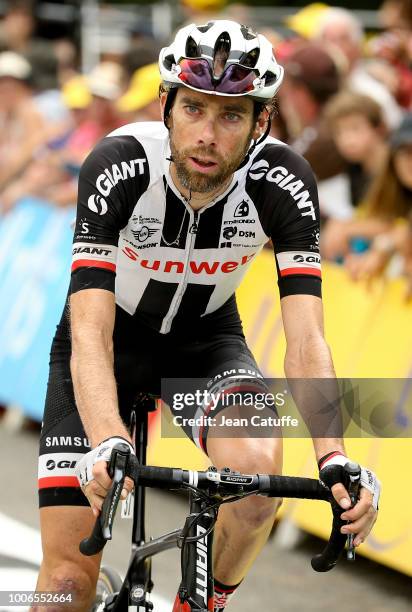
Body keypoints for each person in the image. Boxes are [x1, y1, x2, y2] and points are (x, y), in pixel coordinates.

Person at [33, 20, 380, 612]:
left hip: (204, 342)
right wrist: (108, 439)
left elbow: (306, 336)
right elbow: (90, 327)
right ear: (167, 106)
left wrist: (334, 456)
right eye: (194, 109)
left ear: (260, 122)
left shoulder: (284, 180)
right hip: (108, 347)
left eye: (231, 116)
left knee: (254, 480)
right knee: (66, 586)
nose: (208, 134)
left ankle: (200, 603)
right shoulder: (120, 164)